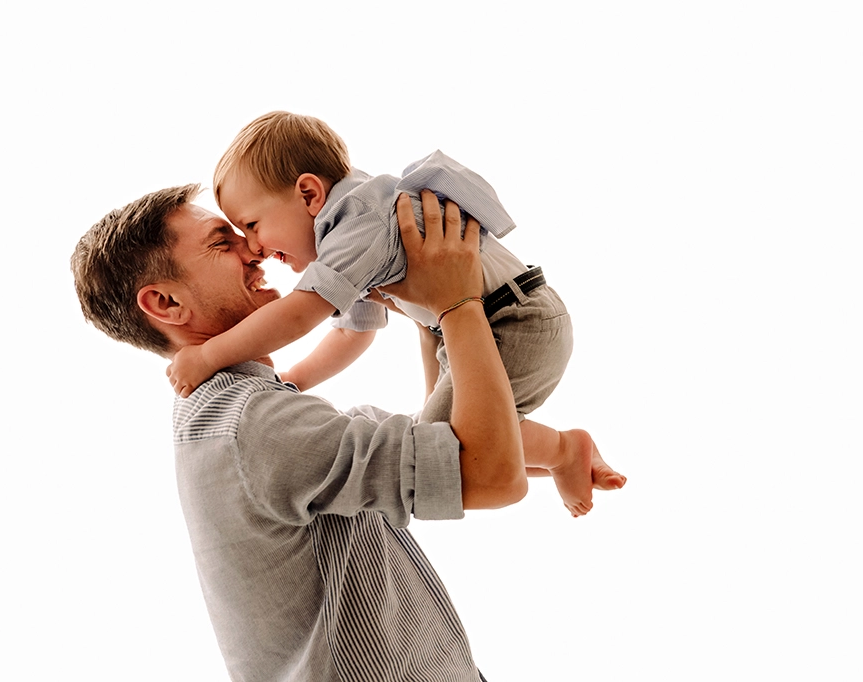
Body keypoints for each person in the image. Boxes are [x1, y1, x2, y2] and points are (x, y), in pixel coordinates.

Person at [72, 186, 542, 680]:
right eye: (220, 242)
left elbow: (450, 442)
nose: (254, 249)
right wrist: (459, 302)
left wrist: (429, 313)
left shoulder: (242, 416)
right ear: (166, 303)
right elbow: (492, 477)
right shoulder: (255, 424)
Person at [167, 111, 625, 516]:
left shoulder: (357, 225)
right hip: (489, 321)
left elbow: (297, 314)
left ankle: (566, 451)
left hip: (515, 321)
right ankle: (562, 456)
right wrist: (293, 381)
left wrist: (207, 357)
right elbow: (353, 334)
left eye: (251, 225)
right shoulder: (349, 238)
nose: (255, 248)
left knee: (445, 444)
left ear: (309, 194)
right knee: (441, 441)